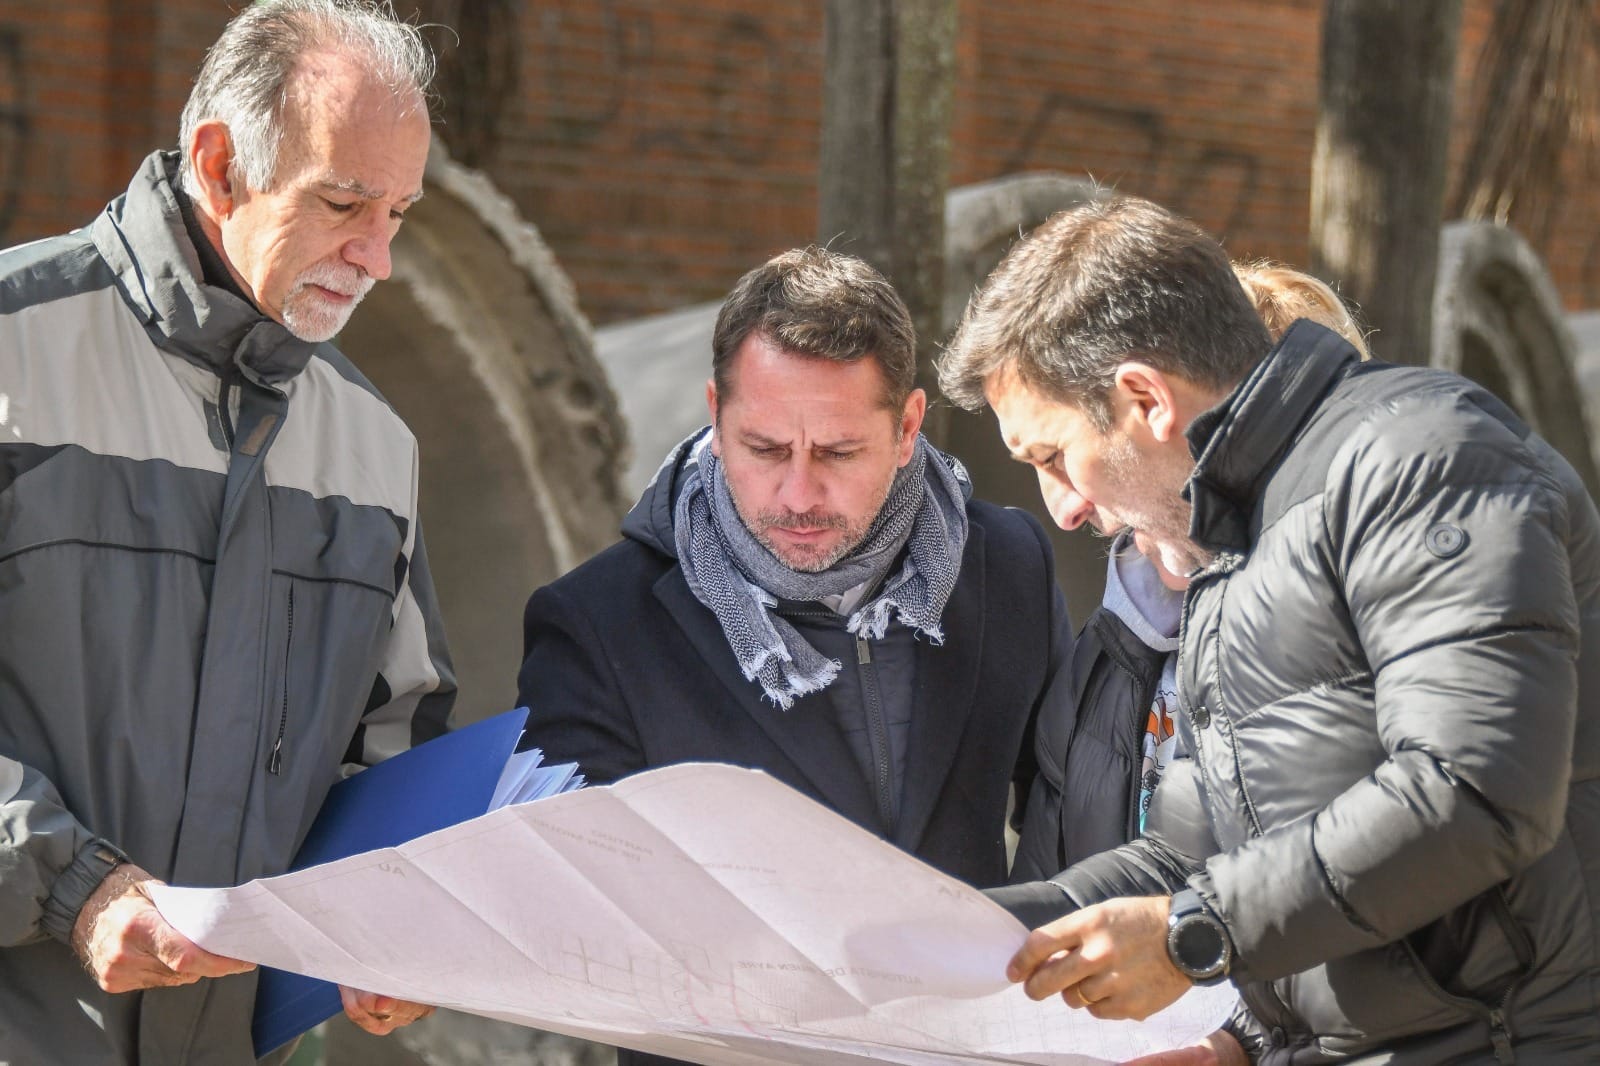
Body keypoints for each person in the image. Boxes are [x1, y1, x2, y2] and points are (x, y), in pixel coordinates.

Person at [939, 195, 1600, 1063]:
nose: (1060, 509)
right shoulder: (1226, 543)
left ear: (1144, 398)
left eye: (1052, 458)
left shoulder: (1426, 460)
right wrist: (965, 933)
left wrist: (1191, 938)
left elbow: (1473, 789)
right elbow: (1201, 852)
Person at [0, 1, 456, 1061]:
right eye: (344, 203)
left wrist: (398, 920)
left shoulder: (375, 447)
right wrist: (73, 887)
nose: (376, 257)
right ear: (219, 165)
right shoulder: (13, 357)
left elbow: (397, 738)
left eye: (398, 214)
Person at [517, 245, 1074, 1066]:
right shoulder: (600, 621)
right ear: (714, 412)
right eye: (766, 448)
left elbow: (1066, 810)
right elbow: (572, 900)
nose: (799, 495)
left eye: (840, 453)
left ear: (909, 426)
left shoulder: (1010, 563)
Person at [1007, 261, 1371, 897]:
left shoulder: (1366, 611)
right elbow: (1059, 881)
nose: (1066, 512)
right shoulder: (1102, 656)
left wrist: (1188, 938)